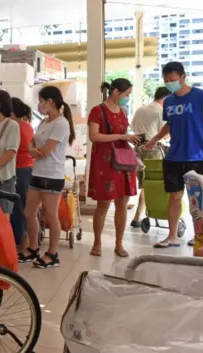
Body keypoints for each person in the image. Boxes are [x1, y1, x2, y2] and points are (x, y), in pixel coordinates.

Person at [144, 61, 203, 248]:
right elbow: (169, 124)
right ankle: (172, 236)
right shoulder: (169, 101)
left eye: (173, 79)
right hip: (173, 158)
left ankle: (199, 236)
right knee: (175, 197)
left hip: (198, 157)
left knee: (197, 200)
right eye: (166, 80)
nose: (170, 83)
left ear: (183, 77)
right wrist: (154, 139)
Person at [20, 86, 75, 268]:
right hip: (37, 173)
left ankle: (52, 254)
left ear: (50, 101)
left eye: (41, 101)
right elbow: (33, 142)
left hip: (52, 175)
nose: (39, 105)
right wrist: (32, 150)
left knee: (50, 215)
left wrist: (33, 151)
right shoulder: (44, 122)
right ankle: (33, 247)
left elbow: (44, 151)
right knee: (29, 212)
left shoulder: (61, 123)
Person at [86, 79, 139, 258]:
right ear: (115, 91)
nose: (127, 98)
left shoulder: (123, 111)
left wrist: (132, 138)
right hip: (105, 162)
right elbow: (94, 136)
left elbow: (123, 134)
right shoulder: (97, 110)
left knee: (122, 203)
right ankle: (97, 242)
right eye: (126, 94)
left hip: (123, 161)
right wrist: (122, 135)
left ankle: (119, 243)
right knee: (103, 204)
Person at [130, 86, 172, 228]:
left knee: (144, 183)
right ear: (165, 98)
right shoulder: (160, 111)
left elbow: (133, 125)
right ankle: (146, 215)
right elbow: (164, 134)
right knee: (154, 183)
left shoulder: (141, 109)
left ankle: (138, 217)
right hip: (153, 149)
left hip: (138, 148)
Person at [11, 97, 35, 254]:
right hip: (28, 169)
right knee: (26, 208)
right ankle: (28, 243)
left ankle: (23, 245)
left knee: (19, 209)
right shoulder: (26, 125)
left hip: (20, 170)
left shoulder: (15, 126)